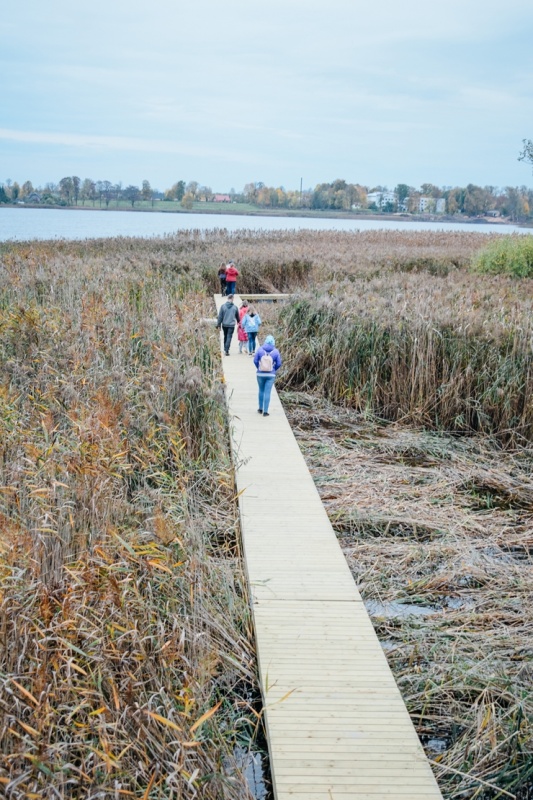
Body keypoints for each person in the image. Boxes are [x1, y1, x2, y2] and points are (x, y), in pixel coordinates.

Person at [253, 335, 281, 416]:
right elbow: (279, 363)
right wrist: (274, 369)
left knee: (261, 390)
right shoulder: (275, 351)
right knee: (267, 392)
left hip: (260, 373)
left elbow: (255, 360)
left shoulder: (260, 349)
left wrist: (259, 367)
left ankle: (260, 408)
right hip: (270, 375)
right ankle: (265, 411)